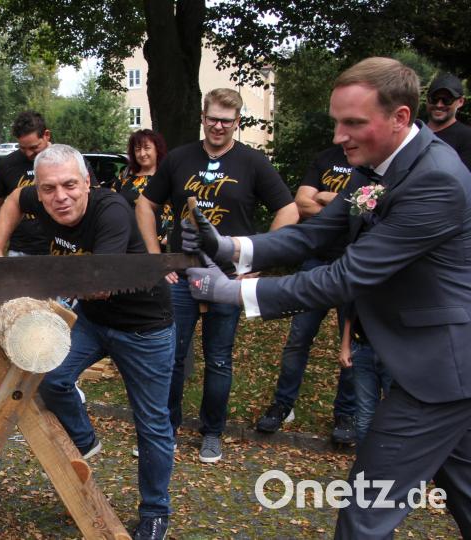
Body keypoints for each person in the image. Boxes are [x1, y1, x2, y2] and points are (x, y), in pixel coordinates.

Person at [183, 57, 471, 537]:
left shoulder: (434, 179)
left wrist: (234, 292)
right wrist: (229, 246)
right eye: (338, 121)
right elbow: (314, 234)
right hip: (436, 367)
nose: (340, 135)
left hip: (439, 372)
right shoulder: (378, 167)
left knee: (365, 509)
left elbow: (344, 276)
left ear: (400, 118)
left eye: (353, 122)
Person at [0, 144, 176, 540]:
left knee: (152, 423)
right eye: (48, 189)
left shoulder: (112, 212)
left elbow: (98, 284)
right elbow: (14, 198)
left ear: (87, 182)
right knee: (47, 373)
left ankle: (155, 513)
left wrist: (27, 280)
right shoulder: (36, 193)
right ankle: (84, 440)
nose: (59, 197)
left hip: (144, 327)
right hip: (94, 321)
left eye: (69, 185)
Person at [135, 88, 299, 464]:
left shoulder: (252, 162)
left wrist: (254, 264)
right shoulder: (179, 159)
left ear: (237, 122)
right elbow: (145, 204)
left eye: (227, 120)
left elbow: (288, 211)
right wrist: (157, 258)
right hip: (180, 273)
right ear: (203, 118)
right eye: (213, 119)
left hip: (227, 278)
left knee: (219, 359)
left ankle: (212, 434)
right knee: (171, 356)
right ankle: (167, 431)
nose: (219, 126)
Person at [254, 145, 357, 443]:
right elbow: (301, 204)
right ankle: (283, 405)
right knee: (298, 339)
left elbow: (372, 209)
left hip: (353, 265)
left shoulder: (370, 165)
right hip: (316, 261)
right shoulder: (326, 157)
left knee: (350, 347)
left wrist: (326, 199)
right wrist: (347, 207)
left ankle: (346, 414)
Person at [0, 110, 53, 254]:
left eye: (34, 147)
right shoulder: (7, 165)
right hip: (20, 249)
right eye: (23, 148)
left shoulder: (68, 161)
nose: (29, 154)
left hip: (59, 249)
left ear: (46, 135)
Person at [338, 307, 391, 445]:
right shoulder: (363, 285)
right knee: (364, 417)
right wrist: (345, 346)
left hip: (394, 350)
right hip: (362, 347)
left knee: (396, 416)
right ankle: (364, 464)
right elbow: (351, 309)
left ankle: (393, 464)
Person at [114, 129, 171, 244]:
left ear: (157, 149)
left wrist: (170, 238)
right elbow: (114, 207)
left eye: (147, 148)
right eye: (138, 149)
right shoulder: (125, 178)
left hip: (161, 244)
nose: (142, 153)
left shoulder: (168, 177)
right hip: (130, 243)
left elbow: (181, 209)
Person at [425, 72, 470, 170]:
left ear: (460, 101)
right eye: (434, 99)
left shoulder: (466, 138)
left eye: (447, 100)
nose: (439, 105)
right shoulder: (414, 131)